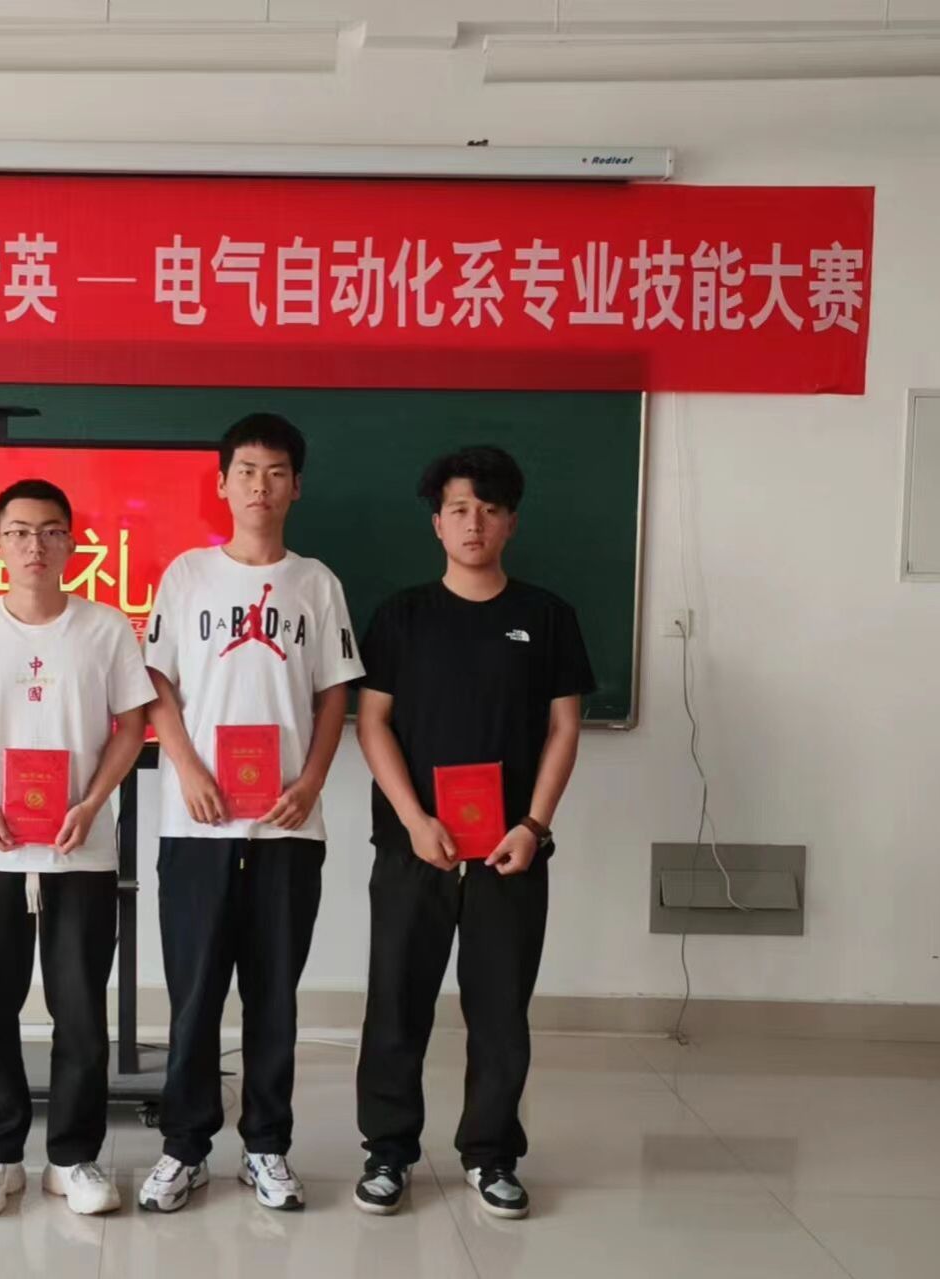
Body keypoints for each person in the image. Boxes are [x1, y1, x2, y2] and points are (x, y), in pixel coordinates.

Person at [352, 445, 595, 1221]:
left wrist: (534, 824)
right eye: (459, 508)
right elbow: (372, 721)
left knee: (499, 1011)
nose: (474, 523)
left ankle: (491, 1154)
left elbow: (564, 728)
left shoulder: (547, 616)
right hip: (414, 847)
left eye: (490, 510)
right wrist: (413, 818)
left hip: (509, 852)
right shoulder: (401, 615)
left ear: (511, 522)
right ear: (437, 522)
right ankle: (388, 1151)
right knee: (396, 1003)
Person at [138, 413, 364, 1214]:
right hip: (196, 824)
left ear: (296, 486)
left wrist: (312, 779)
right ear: (222, 482)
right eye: (246, 471)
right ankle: (184, 1148)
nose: (259, 486)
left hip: (286, 828)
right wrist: (187, 767)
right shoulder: (187, 575)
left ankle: (267, 1146)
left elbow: (336, 694)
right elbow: (155, 684)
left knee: (274, 997)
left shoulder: (316, 583)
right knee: (195, 995)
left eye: (275, 472)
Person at [0, 479, 154, 1217]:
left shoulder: (106, 628)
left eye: (50, 531)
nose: (34, 546)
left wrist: (93, 802)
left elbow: (132, 726)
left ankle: (73, 1158)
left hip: (81, 848)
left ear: (72, 543)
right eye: (19, 532)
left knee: (80, 1010)